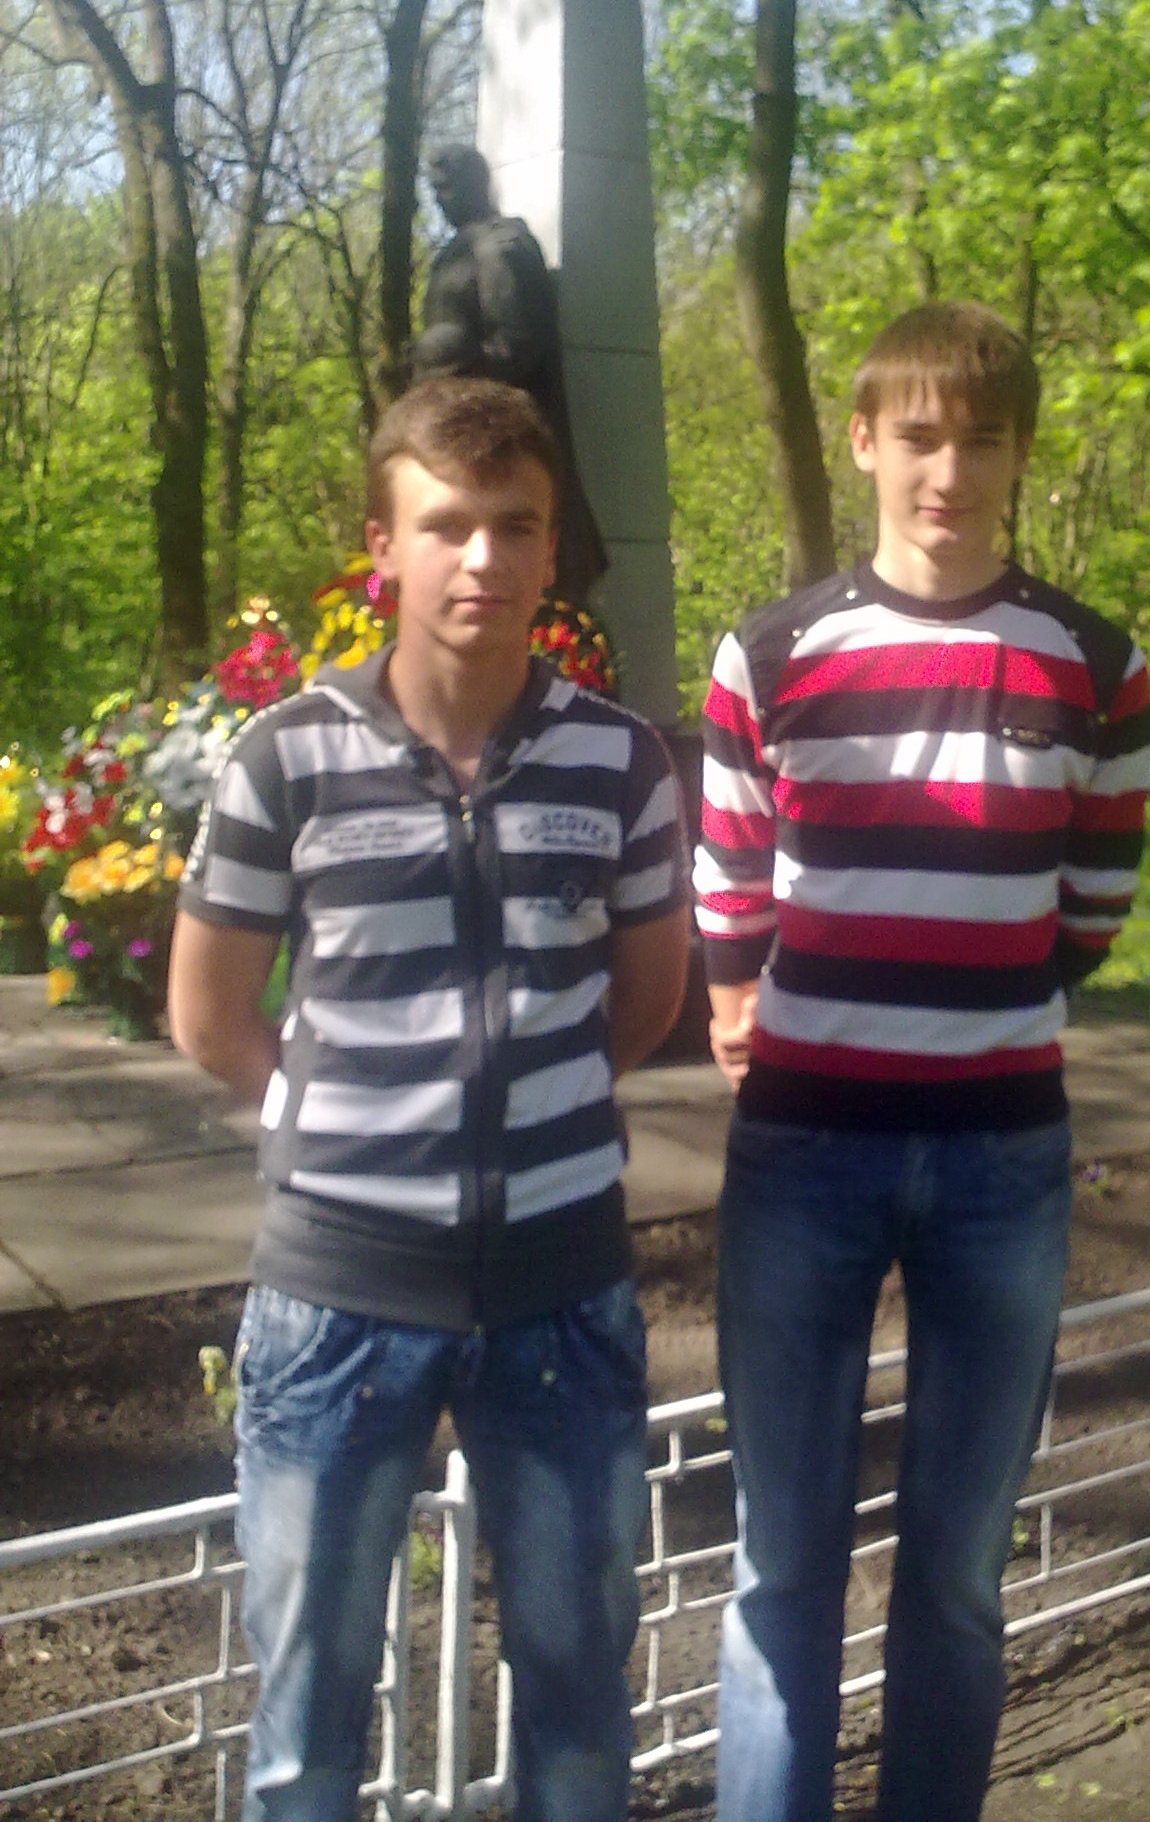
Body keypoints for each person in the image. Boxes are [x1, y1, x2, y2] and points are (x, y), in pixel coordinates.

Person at [167, 377, 691, 1822]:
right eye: (447, 525)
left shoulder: (621, 761)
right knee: (308, 1720)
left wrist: (532, 1105)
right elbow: (208, 1015)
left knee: (579, 1697)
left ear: (550, 548)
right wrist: (342, 1118)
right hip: (336, 1303)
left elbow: (645, 1000)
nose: (482, 558)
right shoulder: (286, 757)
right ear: (382, 547)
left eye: (515, 526)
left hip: (563, 1293)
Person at [693, 302, 1150, 1822]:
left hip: (1000, 1159)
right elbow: (729, 893)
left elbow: (1091, 913)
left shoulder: (1098, 665)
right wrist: (764, 1003)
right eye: (919, 436)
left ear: (1021, 455)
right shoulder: (771, 653)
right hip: (803, 1153)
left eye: (982, 440)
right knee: (782, 1562)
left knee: (958, 1570)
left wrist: (962, 1000)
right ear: (863, 442)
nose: (947, 471)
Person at [416, 142, 608, 603]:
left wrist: (457, 366)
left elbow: (517, 348)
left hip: (502, 440)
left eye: (448, 188)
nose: (441, 199)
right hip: (453, 433)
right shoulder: (453, 254)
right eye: (434, 190)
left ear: (477, 183)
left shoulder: (502, 248)